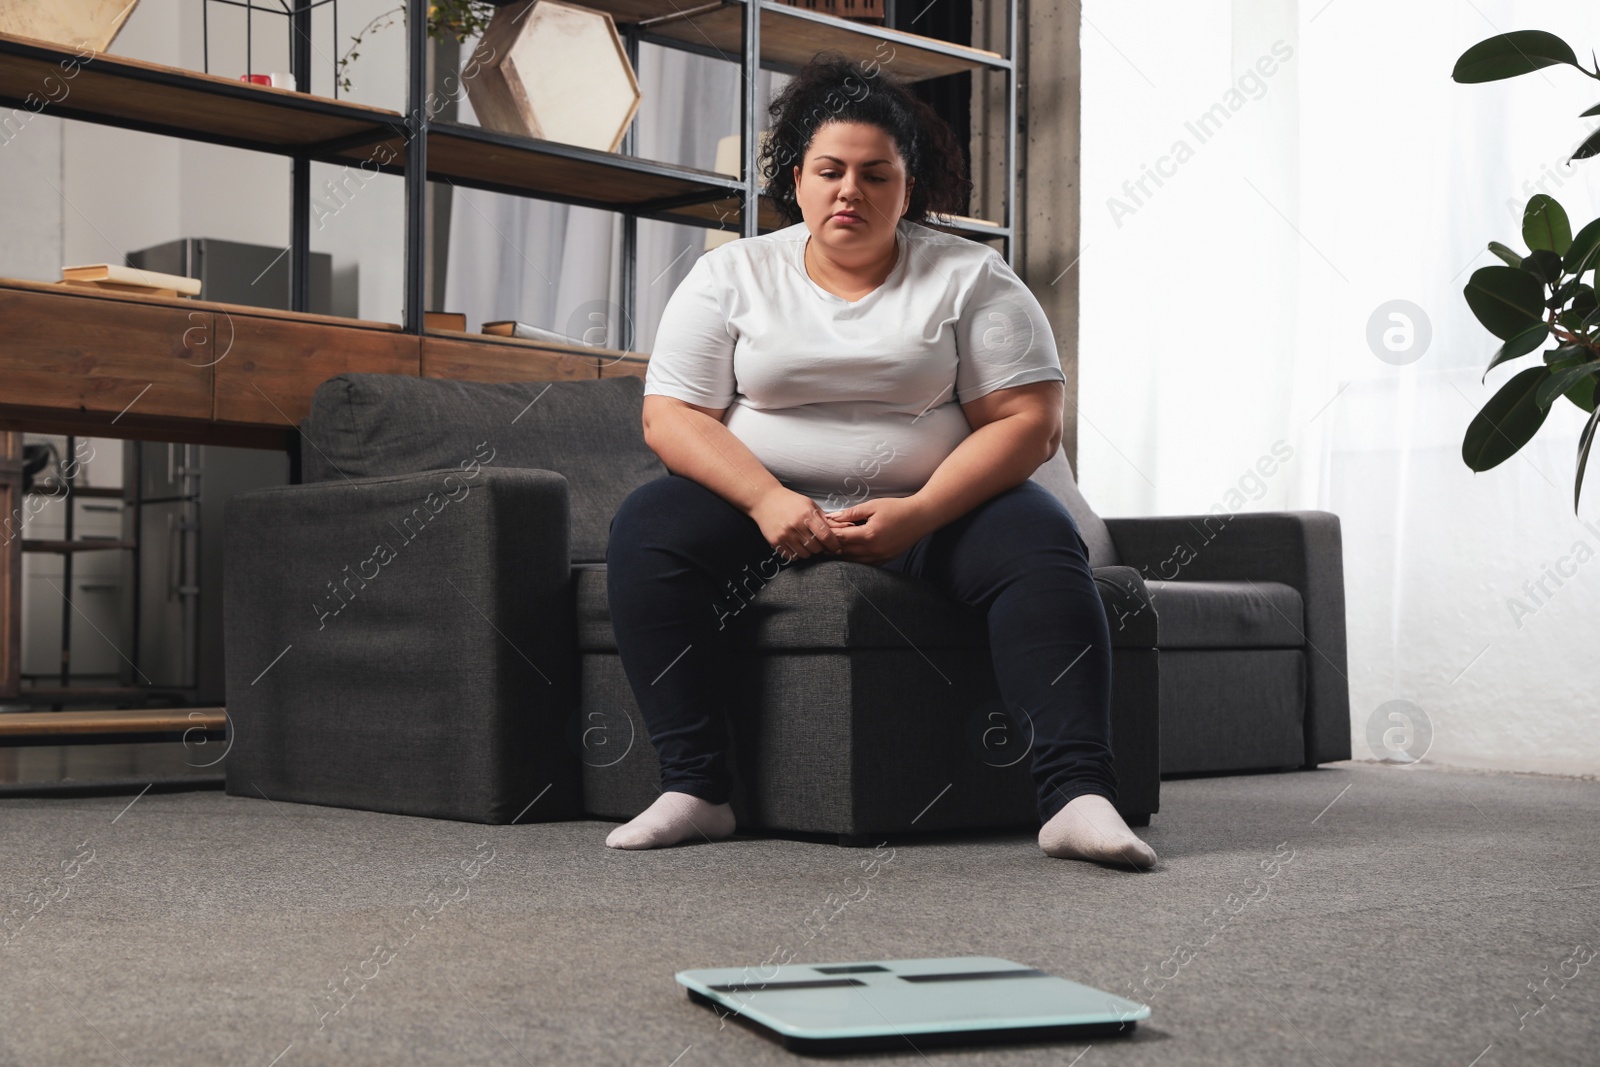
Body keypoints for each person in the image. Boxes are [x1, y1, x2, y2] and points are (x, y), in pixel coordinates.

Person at [602, 53, 1156, 869]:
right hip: (764, 509)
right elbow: (671, 416)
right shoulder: (730, 276)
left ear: (908, 183)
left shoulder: (973, 277)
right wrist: (762, 498)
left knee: (1040, 539)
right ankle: (697, 790)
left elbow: (1029, 422)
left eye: (874, 173)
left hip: (937, 508)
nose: (849, 191)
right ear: (797, 179)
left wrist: (920, 513)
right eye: (829, 170)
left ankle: (1076, 796)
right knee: (648, 527)